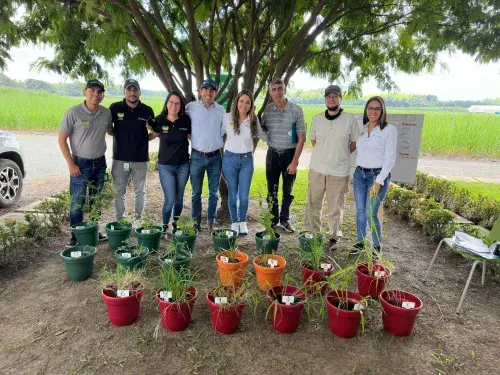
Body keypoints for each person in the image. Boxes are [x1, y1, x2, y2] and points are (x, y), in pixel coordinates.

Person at [303, 85, 360, 251]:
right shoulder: (317, 119)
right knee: (313, 203)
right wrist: (325, 153)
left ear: (340, 99)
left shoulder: (349, 119)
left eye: (335, 96)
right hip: (317, 170)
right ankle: (312, 233)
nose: (332, 99)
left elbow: (354, 143)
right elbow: (314, 141)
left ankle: (334, 236)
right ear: (325, 99)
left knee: (335, 207)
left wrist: (340, 154)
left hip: (339, 171)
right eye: (329, 96)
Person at [58, 79, 112, 247]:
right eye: (92, 90)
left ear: (102, 96)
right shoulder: (73, 112)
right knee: (77, 201)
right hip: (80, 164)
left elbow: (111, 130)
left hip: (100, 163)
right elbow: (62, 140)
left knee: (96, 200)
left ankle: (94, 230)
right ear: (84, 92)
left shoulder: (106, 113)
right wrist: (70, 164)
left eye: (99, 91)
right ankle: (75, 236)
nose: (96, 94)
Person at [351, 96, 397, 256]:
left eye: (377, 108)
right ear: (366, 110)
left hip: (376, 176)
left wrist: (379, 181)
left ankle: (376, 246)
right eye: (370, 108)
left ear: (382, 111)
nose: (373, 111)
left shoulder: (389, 130)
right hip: (359, 174)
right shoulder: (363, 130)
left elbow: (390, 158)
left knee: (371, 212)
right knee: (360, 212)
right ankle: (360, 242)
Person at [261, 78, 306, 233]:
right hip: (272, 155)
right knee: (271, 190)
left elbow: (301, 138)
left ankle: (285, 220)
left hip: (289, 155)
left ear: (285, 90)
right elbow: (261, 130)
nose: (277, 92)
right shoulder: (267, 111)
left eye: (280, 88)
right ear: (270, 92)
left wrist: (295, 161)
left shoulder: (296, 110)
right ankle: (273, 221)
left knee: (288, 190)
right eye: (273, 89)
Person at [108, 79, 155, 226]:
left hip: (140, 159)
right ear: (124, 91)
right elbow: (109, 130)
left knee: (140, 191)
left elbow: (154, 132)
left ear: (139, 91)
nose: (132, 93)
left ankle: (137, 220)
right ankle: (120, 220)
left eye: (135, 90)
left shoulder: (147, 110)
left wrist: (143, 138)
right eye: (129, 89)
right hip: (120, 159)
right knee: (119, 191)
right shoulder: (114, 108)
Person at [222, 89, 268, 235]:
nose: (244, 104)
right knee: (233, 193)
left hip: (247, 161)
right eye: (242, 101)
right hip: (229, 160)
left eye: (248, 102)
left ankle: (242, 222)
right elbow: (218, 135)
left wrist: (281, 140)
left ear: (251, 105)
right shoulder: (227, 117)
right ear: (237, 102)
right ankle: (234, 222)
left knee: (243, 195)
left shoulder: (254, 120)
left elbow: (264, 136)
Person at [148, 91, 191, 236]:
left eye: (177, 103)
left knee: (179, 198)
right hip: (165, 166)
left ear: (181, 106)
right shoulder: (159, 121)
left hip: (184, 165)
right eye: (171, 102)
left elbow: (193, 138)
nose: (174, 105)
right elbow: (150, 136)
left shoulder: (185, 120)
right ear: (166, 104)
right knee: (170, 198)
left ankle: (175, 225)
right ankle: (165, 224)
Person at [186, 79, 225, 232]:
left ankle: (211, 221)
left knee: (213, 193)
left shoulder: (221, 110)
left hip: (216, 157)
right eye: (205, 89)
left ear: (215, 93)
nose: (208, 93)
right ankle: (196, 222)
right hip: (197, 156)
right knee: (196, 193)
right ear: (200, 91)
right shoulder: (191, 108)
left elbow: (223, 131)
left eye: (212, 90)